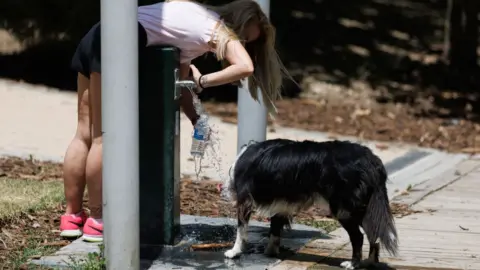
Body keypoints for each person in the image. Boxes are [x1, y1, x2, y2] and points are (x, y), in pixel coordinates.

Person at [60, 0, 291, 242]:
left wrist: (196, 119)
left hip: (99, 33)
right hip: (117, 41)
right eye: (243, 38)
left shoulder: (192, 29)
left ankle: (72, 217)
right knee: (102, 137)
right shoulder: (213, 28)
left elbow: (179, 88)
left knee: (84, 133)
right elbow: (245, 67)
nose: (240, 45)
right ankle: (97, 221)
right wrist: (203, 82)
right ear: (237, 25)